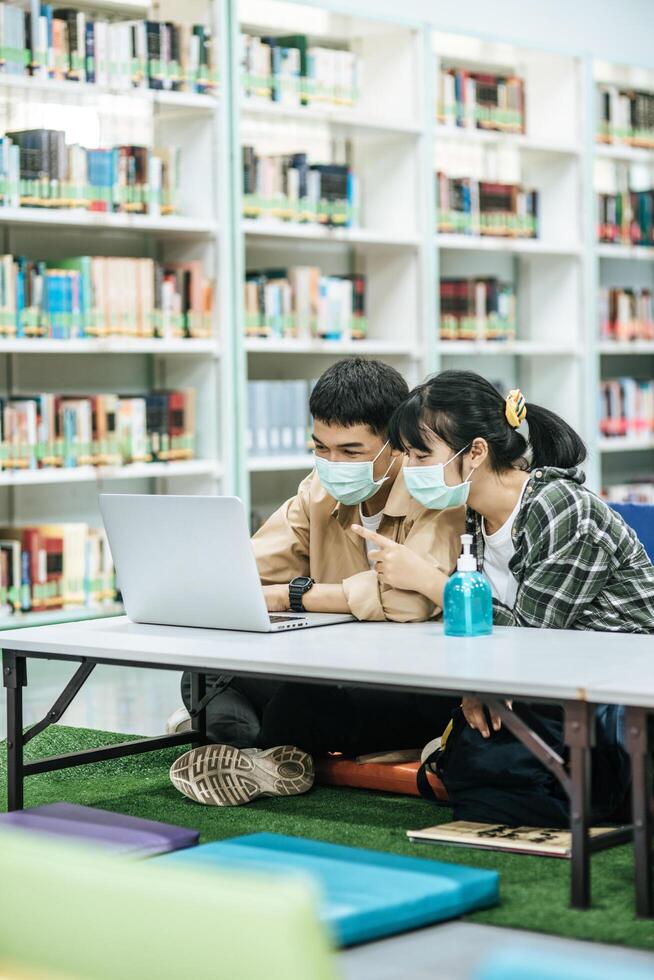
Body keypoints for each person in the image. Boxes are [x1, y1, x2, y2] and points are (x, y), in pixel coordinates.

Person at [351, 369, 654, 824]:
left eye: (420, 455)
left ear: (475, 452)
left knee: (483, 765)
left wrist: (431, 581)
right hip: (542, 684)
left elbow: (534, 635)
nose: (410, 471)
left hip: (613, 692)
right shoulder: (473, 515)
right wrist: (478, 687)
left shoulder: (560, 508)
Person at [168, 358, 464, 807]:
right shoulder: (318, 489)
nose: (331, 464)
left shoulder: (434, 494)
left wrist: (293, 595)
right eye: (320, 448)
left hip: (407, 681)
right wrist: (206, 579)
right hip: (333, 663)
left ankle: (245, 749)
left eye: (350, 452)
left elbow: (406, 600)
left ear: (399, 446)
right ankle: (254, 753)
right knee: (207, 671)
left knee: (299, 701)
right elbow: (253, 565)